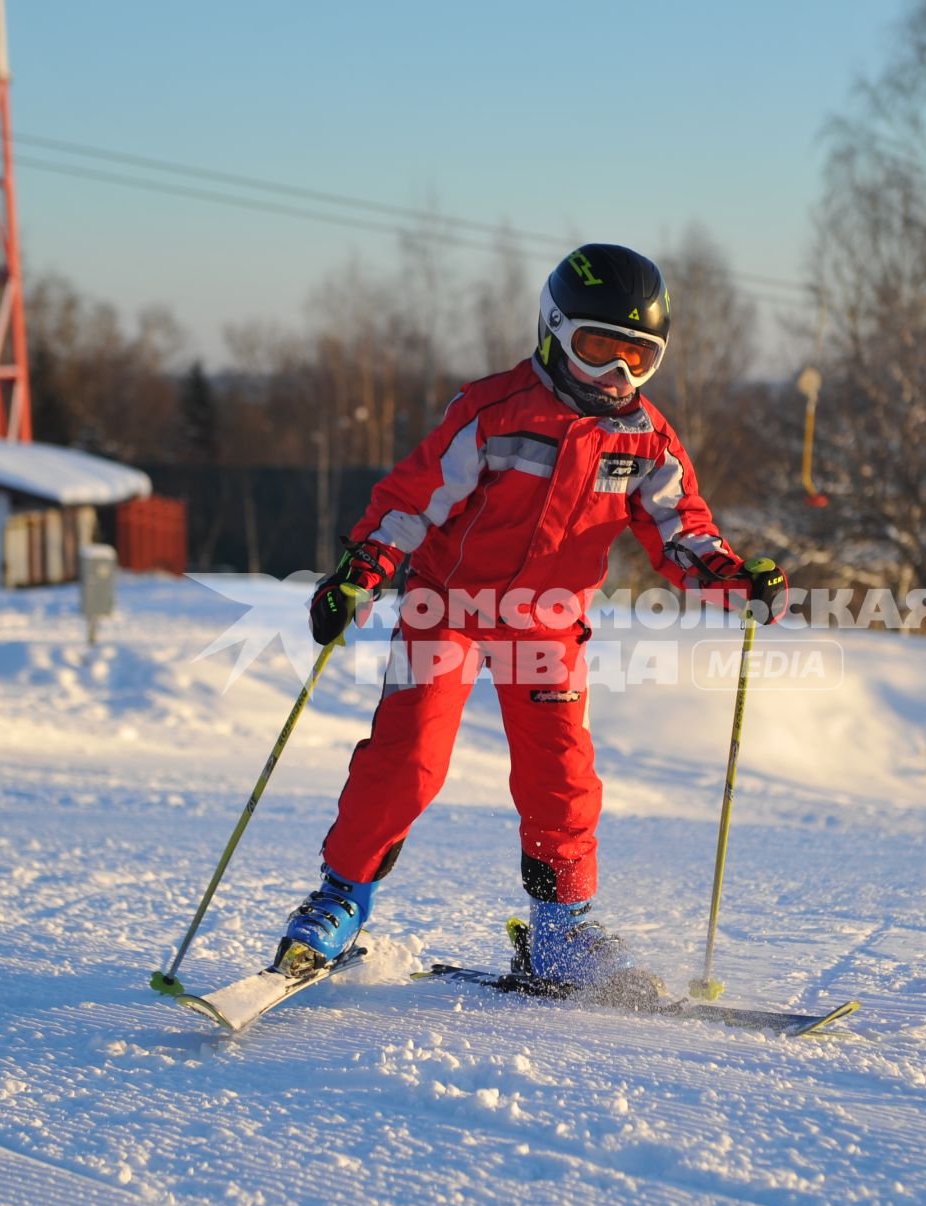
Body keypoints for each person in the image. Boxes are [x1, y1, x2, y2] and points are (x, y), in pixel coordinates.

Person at [275, 243, 787, 999]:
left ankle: (560, 929)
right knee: (409, 757)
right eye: (598, 349)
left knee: (560, 770)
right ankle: (341, 897)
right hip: (447, 607)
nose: (618, 375)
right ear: (553, 331)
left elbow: (682, 529)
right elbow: (414, 499)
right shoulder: (494, 412)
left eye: (638, 358)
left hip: (546, 621)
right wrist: (364, 568)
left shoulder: (645, 439)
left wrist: (731, 576)